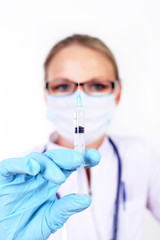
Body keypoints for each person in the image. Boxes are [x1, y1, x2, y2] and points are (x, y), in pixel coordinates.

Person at [0, 34, 160, 240]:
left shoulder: (141, 155)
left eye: (97, 85)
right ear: (46, 95)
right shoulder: (25, 174)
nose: (81, 96)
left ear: (117, 93)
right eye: (63, 86)